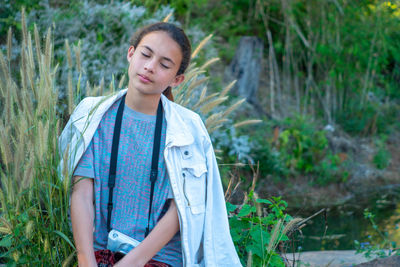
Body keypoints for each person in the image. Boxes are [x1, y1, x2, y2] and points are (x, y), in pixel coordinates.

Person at [58, 22, 242, 267]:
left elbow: (181, 211)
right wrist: (85, 260)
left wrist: (131, 263)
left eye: (164, 65)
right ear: (131, 54)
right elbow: (81, 193)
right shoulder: (92, 115)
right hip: (98, 255)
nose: (150, 67)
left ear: (177, 79)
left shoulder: (187, 129)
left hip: (159, 259)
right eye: (145, 55)